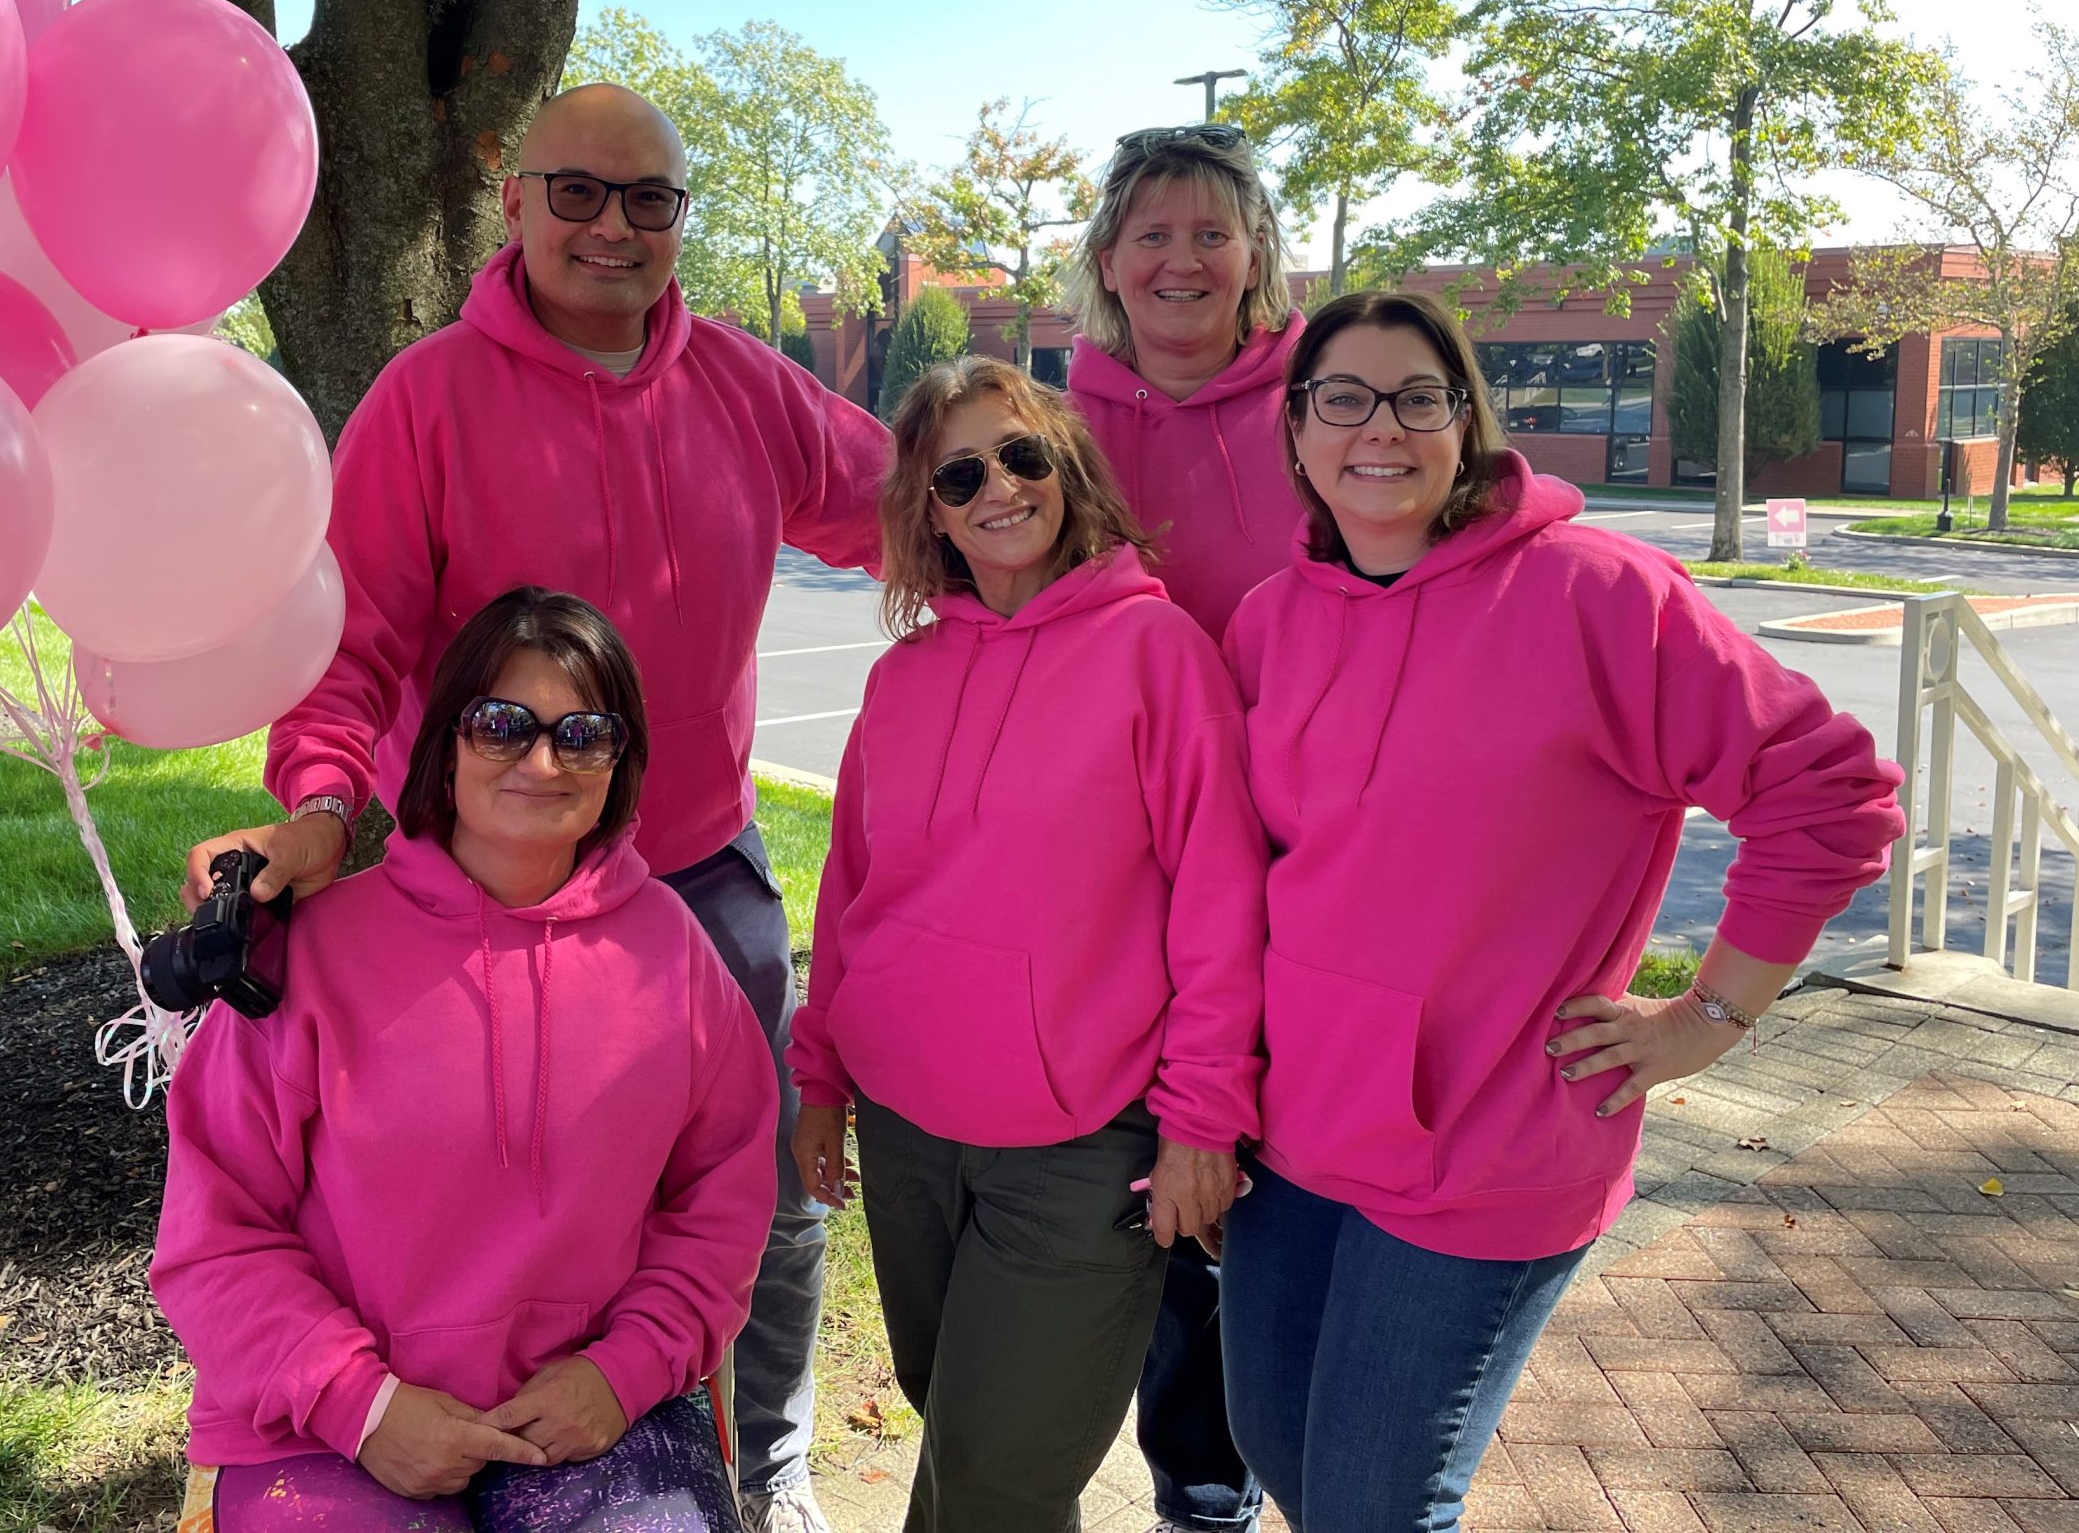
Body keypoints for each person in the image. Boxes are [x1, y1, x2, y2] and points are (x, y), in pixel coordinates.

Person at [184, 84, 888, 1531]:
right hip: (471, 877)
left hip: (690, 873)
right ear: (513, 203)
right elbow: (351, 643)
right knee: (439, 1185)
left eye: (649, 200)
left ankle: (772, 1454)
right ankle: (392, 1411)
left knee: (753, 1195)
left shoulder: (751, 391)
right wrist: (317, 810)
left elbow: (933, 507)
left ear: (681, 218)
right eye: (577, 192)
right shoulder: (429, 397)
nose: (612, 227)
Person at [1219, 292, 1904, 1531]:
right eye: (1342, 399)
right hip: (1298, 1134)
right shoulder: (1272, 622)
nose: (1380, 429)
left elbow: (1829, 792)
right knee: (1276, 1453)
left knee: (1370, 1508)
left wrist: (1712, 1014)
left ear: (1466, 420)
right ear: (1297, 429)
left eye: (1417, 397)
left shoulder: (1597, 594)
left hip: (1491, 1143)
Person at [153, 587, 777, 1533]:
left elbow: (722, 1202)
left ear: (621, 761)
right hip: (325, 1423)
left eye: (583, 734)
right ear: (444, 744)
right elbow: (217, 1237)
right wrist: (360, 1405)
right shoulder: (311, 957)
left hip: (590, 1411)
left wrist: (624, 1371)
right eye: (501, 725)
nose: (541, 760)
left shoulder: (674, 956)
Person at [787, 355, 1267, 1533]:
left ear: (1068, 470)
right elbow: (852, 892)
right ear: (929, 512)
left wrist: (1205, 1120)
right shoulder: (903, 678)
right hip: (904, 1125)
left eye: (1020, 455)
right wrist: (819, 1082)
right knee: (950, 1420)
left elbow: (1220, 904)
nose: (996, 487)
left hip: (1079, 1143)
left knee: (1003, 1475)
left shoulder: (1158, 656)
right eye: (959, 474)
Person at [1060, 119, 1301, 1533]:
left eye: (1211, 230)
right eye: (1151, 233)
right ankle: (1191, 1483)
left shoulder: (1323, 402)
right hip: (1125, 866)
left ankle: (1213, 1495)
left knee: (1265, 1178)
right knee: (1160, 1176)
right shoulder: (1062, 430)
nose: (1182, 257)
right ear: (1107, 263)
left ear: (1255, 254)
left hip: (1303, 853)